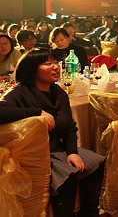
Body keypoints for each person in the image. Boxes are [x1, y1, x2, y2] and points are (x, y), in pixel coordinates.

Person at [0, 49, 105, 217]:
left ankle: (90, 213)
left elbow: (69, 127)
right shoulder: (20, 92)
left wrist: (72, 153)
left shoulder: (58, 92)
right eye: (47, 63)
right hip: (32, 154)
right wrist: (36, 112)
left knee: (95, 163)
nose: (55, 67)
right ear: (31, 70)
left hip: (56, 147)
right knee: (68, 174)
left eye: (56, 62)